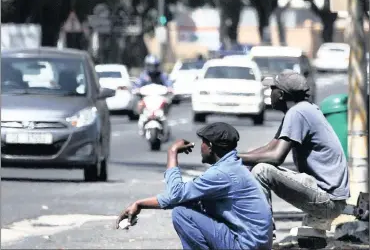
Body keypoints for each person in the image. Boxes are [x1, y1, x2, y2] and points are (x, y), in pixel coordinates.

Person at [116, 122, 273, 250]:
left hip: (245, 245)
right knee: (192, 203)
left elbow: (175, 195)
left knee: (181, 213)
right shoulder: (233, 167)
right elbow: (183, 196)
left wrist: (172, 152)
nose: (201, 147)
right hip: (254, 243)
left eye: (203, 142)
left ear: (210, 145)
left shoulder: (221, 174)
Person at [238, 69, 349, 240]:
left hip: (327, 200)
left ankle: (265, 236)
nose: (270, 94)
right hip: (327, 197)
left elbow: (276, 156)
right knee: (255, 162)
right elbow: (269, 147)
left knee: (262, 170)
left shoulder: (298, 113)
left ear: (281, 94)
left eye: (272, 90)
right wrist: (235, 156)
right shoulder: (302, 110)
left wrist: (235, 158)